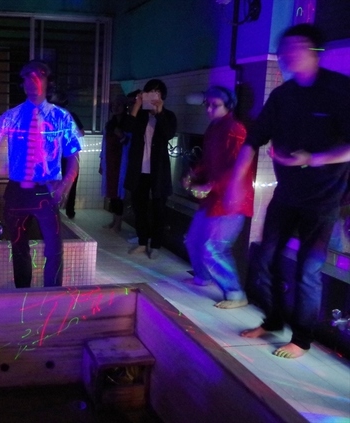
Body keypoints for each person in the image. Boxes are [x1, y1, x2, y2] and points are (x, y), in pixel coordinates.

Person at [226, 24, 350, 358]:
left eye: (296, 46)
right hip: (287, 194)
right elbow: (253, 140)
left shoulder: (339, 90)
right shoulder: (283, 95)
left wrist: (314, 158)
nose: (288, 53)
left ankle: (302, 339)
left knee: (307, 270)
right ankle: (273, 321)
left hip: (324, 198)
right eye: (285, 48)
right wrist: (235, 183)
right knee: (265, 259)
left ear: (314, 50)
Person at [0, 60, 83, 288]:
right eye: (27, 77)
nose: (32, 82)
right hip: (17, 194)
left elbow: (74, 158)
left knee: (54, 249)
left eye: (38, 76)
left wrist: (65, 185)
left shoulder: (61, 117)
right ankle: (23, 296)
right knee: (19, 249)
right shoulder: (12, 116)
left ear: (48, 81)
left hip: (46, 193)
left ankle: (52, 296)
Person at [182, 86, 253, 309]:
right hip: (213, 198)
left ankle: (235, 293)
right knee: (193, 240)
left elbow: (238, 167)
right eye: (208, 105)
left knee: (213, 249)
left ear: (228, 105)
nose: (209, 109)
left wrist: (209, 185)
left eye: (215, 105)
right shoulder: (214, 128)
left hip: (231, 200)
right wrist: (194, 175)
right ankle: (203, 277)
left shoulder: (235, 129)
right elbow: (208, 161)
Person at [122, 79, 177, 259]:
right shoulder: (140, 115)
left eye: (157, 92)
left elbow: (169, 133)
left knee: (159, 208)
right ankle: (142, 241)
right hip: (139, 170)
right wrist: (137, 105)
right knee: (140, 207)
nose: (153, 96)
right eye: (150, 92)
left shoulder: (168, 116)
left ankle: (156, 245)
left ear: (162, 96)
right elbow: (126, 127)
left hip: (158, 170)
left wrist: (159, 113)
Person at [49, 90, 85, 219]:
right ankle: (68, 211)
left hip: (60, 155)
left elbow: (81, 133)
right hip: (63, 155)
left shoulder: (57, 116)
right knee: (67, 181)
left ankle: (60, 210)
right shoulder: (67, 115)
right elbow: (81, 133)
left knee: (59, 181)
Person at [100, 94, 131, 233]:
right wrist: (102, 162)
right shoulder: (110, 124)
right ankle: (114, 221)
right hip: (110, 162)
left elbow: (131, 145)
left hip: (122, 163)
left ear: (125, 106)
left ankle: (118, 224)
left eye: (119, 104)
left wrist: (122, 136)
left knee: (119, 194)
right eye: (114, 105)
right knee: (112, 192)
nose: (116, 107)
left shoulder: (129, 123)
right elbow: (104, 145)